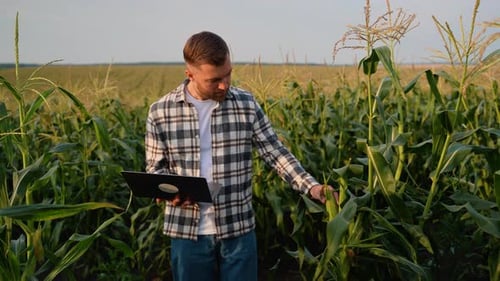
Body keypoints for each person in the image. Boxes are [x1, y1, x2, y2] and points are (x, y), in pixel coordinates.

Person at [145, 31, 335, 281]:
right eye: (214, 80)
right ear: (189, 74)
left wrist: (312, 188)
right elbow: (155, 170)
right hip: (186, 234)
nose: (224, 84)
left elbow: (275, 152)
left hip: (238, 230)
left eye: (228, 74)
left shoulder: (245, 104)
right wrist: (168, 193)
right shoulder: (161, 112)